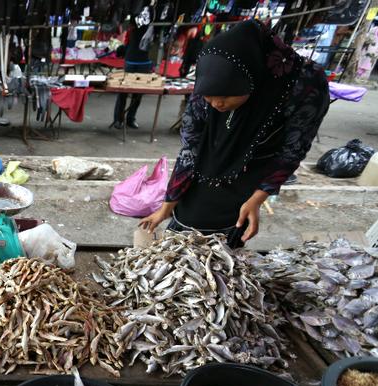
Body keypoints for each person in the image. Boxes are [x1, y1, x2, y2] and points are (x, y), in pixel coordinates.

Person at [139, 20, 329, 248]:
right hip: (204, 169)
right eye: (209, 96)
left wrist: (258, 199)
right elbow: (190, 148)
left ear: (250, 79)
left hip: (249, 175)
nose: (216, 103)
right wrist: (166, 207)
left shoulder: (304, 83)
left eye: (226, 95)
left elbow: (292, 150)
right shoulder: (210, 77)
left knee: (226, 245)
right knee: (182, 236)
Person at [111, 4, 154, 129]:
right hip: (131, 58)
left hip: (145, 60)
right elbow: (125, 28)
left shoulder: (155, 12)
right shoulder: (135, 9)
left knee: (138, 93)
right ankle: (118, 119)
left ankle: (131, 118)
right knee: (123, 91)